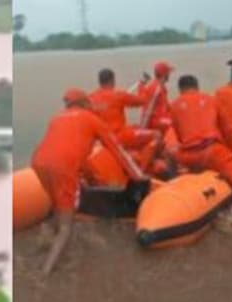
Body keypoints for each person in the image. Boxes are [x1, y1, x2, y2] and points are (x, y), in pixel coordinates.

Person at [32, 88, 149, 277]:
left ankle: (44, 242)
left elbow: (74, 151)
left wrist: (90, 178)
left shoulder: (56, 118)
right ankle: (44, 274)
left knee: (57, 207)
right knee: (66, 226)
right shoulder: (91, 119)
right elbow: (117, 149)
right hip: (63, 167)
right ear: (85, 103)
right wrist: (138, 176)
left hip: (38, 163)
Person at [169, 75, 232, 224]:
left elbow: (179, 136)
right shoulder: (211, 100)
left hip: (187, 156)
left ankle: (174, 182)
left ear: (180, 90)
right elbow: (227, 129)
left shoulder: (174, 105)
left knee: (170, 152)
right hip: (213, 153)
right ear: (197, 87)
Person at [90, 68, 161, 155]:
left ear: (99, 81)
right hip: (119, 136)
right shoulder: (118, 95)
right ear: (113, 80)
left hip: (103, 139)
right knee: (156, 134)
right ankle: (142, 165)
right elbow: (143, 100)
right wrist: (141, 86)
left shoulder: (91, 98)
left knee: (136, 127)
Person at [137, 61, 175, 131]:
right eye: (168, 73)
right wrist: (143, 129)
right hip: (156, 120)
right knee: (176, 123)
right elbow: (148, 110)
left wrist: (141, 84)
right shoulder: (156, 88)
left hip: (161, 118)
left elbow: (141, 96)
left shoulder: (159, 87)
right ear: (165, 74)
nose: (169, 75)